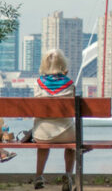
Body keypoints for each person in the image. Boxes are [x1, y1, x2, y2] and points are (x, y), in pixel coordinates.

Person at [33, 49, 77, 191]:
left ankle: (39, 175)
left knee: (43, 143)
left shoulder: (38, 84)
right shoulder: (70, 84)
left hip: (43, 133)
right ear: (63, 64)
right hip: (67, 133)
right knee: (71, 146)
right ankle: (68, 175)